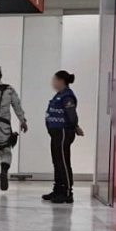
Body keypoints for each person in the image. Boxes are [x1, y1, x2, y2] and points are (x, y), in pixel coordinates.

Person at [44, 70, 85, 204]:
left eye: (54, 80)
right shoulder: (59, 95)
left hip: (63, 133)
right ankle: (58, 189)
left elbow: (72, 114)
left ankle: (67, 192)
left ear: (61, 81)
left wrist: (76, 127)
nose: (52, 82)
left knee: (63, 162)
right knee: (56, 161)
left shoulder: (67, 96)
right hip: (56, 133)